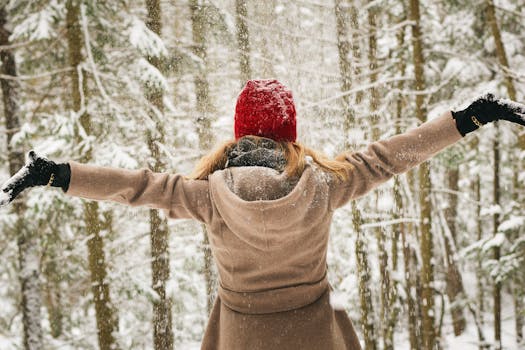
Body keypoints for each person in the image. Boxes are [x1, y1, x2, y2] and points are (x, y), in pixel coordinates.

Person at [1, 79, 524, 349]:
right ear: (289, 132)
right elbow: (392, 156)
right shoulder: (326, 184)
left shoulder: (207, 195)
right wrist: (469, 118)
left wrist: (58, 174)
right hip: (317, 338)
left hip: (241, 339)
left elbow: (136, 188)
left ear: (238, 132)